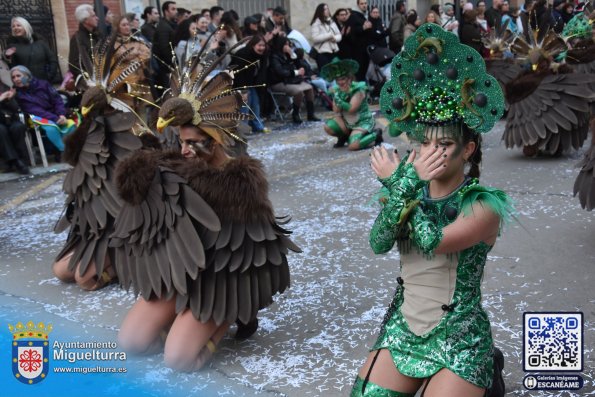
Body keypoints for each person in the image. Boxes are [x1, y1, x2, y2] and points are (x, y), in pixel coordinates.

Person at [350, 23, 510, 397]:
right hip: (404, 329)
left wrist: (397, 183)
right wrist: (405, 186)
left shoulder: (483, 205)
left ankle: (488, 369)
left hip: (458, 338)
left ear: (467, 150)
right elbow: (378, 242)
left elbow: (433, 241)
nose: (430, 154)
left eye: (445, 145)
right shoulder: (409, 188)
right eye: (424, 144)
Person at [115, 58, 301, 370]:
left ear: (214, 140)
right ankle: (182, 320)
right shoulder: (176, 165)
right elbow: (134, 197)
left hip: (219, 283)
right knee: (131, 343)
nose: (184, 149)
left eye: (192, 143)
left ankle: (226, 318)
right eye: (180, 141)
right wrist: (138, 170)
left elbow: (258, 253)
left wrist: (239, 301)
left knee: (179, 360)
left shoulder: (242, 183)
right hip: (180, 276)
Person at [52, 34, 148, 291]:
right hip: (95, 226)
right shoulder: (87, 134)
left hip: (121, 226)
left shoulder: (132, 131)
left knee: (86, 281)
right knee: (60, 271)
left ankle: (122, 263)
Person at [11, 65, 78, 154]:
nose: (16, 79)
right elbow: (36, 111)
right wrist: (56, 118)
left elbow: (57, 100)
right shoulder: (19, 95)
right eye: (13, 77)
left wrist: (61, 114)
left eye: (18, 76)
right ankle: (65, 151)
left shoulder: (43, 84)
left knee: (71, 125)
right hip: (39, 117)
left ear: (27, 75)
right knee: (51, 129)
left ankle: (67, 151)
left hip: (55, 113)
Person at [321, 57, 380, 150]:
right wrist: (336, 97)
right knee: (329, 127)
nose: (340, 82)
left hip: (362, 122)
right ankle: (344, 136)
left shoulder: (358, 89)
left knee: (353, 146)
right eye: (337, 79)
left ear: (349, 78)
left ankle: (376, 134)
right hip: (348, 122)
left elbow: (352, 109)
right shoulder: (338, 90)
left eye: (343, 79)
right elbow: (336, 110)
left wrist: (339, 99)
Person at [268, 36, 320, 124]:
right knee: (298, 91)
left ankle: (311, 114)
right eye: (286, 45)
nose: (288, 47)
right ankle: (295, 114)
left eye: (289, 45)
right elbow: (280, 72)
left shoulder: (288, 55)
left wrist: (293, 55)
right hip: (279, 82)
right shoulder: (274, 56)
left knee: (309, 88)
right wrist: (296, 72)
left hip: (291, 80)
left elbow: (298, 65)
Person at [231, 34, 269, 133]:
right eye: (259, 45)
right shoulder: (243, 54)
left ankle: (257, 126)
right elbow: (239, 75)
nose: (262, 48)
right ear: (253, 45)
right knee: (245, 103)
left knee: (255, 103)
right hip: (236, 82)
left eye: (263, 45)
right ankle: (244, 128)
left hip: (251, 83)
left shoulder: (262, 55)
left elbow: (262, 71)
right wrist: (243, 91)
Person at [4, 17, 60, 84]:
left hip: (44, 82)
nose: (15, 28)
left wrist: (49, 76)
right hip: (25, 84)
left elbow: (53, 60)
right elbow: (11, 68)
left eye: (18, 25)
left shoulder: (41, 43)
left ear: (26, 26)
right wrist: (8, 57)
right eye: (13, 26)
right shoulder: (12, 47)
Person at [0, 82, 29, 174]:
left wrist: (10, 99)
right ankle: (16, 161)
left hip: (10, 119)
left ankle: (22, 160)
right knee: (1, 130)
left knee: (18, 127)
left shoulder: (5, 87)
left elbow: (16, 108)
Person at [68, 4, 101, 79]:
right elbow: (74, 66)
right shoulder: (77, 39)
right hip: (92, 84)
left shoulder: (97, 35)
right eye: (93, 16)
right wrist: (90, 80)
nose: (97, 18)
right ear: (85, 20)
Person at [152, 1, 178, 98]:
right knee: (168, 95)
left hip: (166, 67)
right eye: (173, 9)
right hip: (165, 68)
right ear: (166, 11)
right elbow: (165, 49)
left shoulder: (168, 25)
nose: (176, 11)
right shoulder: (163, 27)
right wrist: (173, 65)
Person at [347, 0, 374, 81]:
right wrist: (363, 28)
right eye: (362, 4)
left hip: (365, 48)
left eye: (365, 3)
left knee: (364, 71)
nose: (364, 5)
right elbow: (353, 31)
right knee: (359, 72)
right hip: (358, 50)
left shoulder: (365, 15)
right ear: (358, 5)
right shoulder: (354, 16)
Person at [310, 3, 342, 71]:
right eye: (325, 9)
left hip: (333, 50)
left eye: (327, 9)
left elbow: (339, 34)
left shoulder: (331, 21)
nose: (327, 11)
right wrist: (329, 35)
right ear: (320, 11)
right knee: (325, 72)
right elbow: (315, 38)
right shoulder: (316, 23)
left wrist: (335, 38)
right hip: (322, 52)